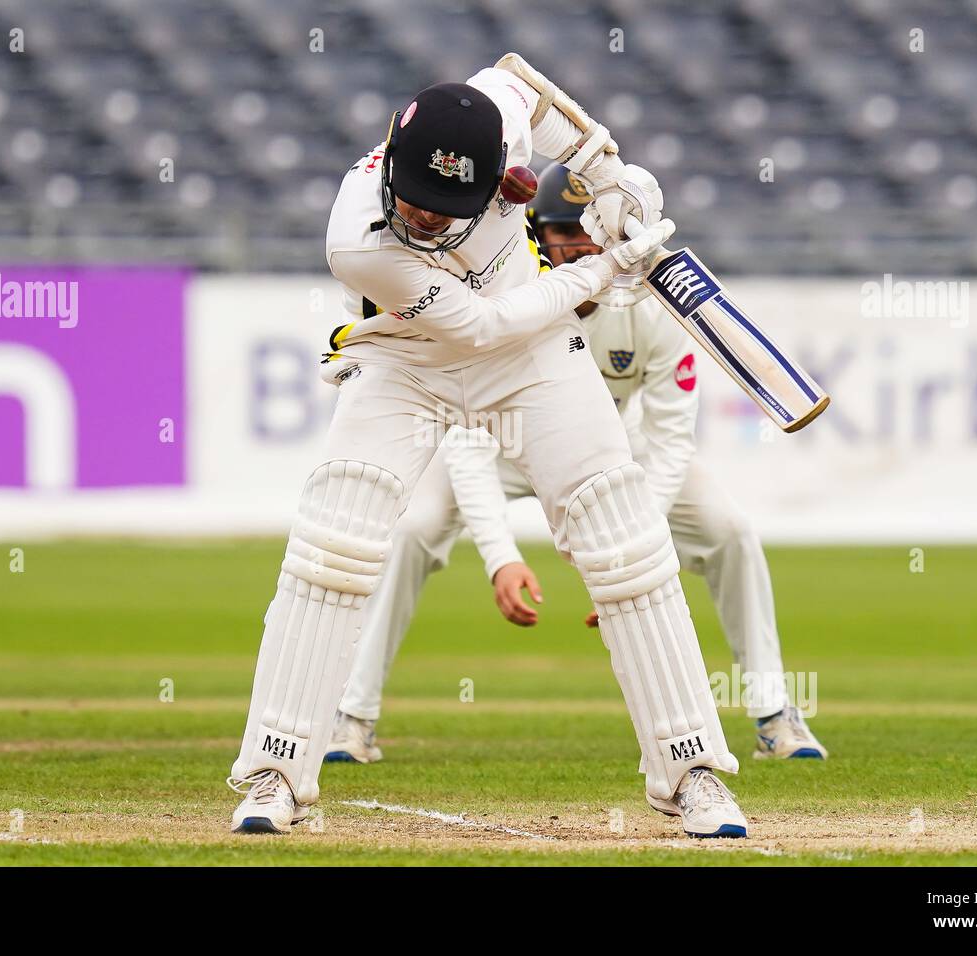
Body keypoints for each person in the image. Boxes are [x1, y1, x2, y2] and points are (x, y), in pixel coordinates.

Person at [228, 53, 748, 838]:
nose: (424, 219)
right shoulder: (358, 239)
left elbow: (565, 128)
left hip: (532, 358)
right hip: (410, 353)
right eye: (414, 199)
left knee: (626, 541)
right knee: (334, 542)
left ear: (501, 181)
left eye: (444, 209)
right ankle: (276, 768)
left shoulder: (501, 107)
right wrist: (605, 270)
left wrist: (620, 188)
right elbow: (479, 328)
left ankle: (692, 772)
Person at [328, 164, 827, 772]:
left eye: (592, 232)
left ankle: (774, 712)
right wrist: (501, 558)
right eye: (566, 233)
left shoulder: (651, 308)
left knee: (731, 533)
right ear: (538, 233)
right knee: (410, 531)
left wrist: (630, 550)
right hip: (498, 441)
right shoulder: (508, 295)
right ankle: (353, 717)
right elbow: (468, 448)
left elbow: (670, 441)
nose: (584, 249)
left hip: (614, 450)